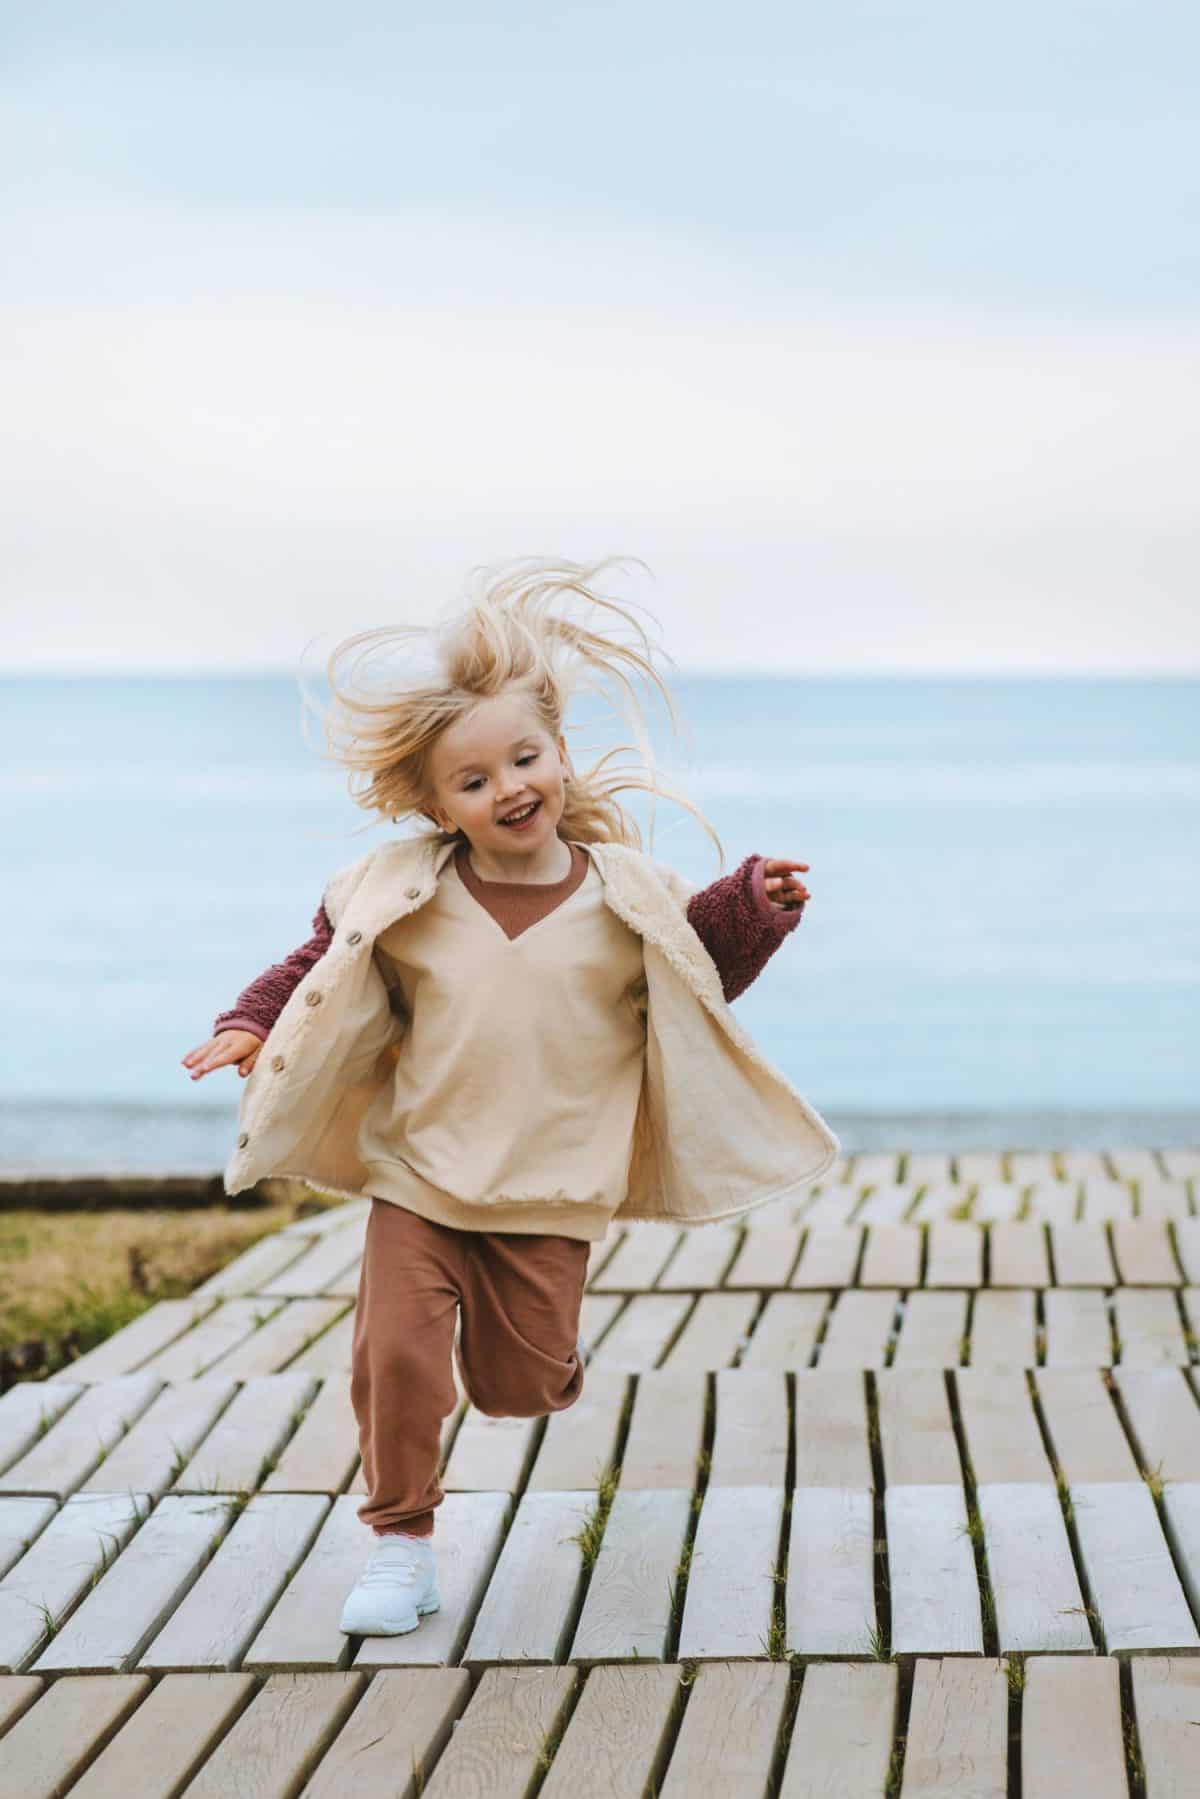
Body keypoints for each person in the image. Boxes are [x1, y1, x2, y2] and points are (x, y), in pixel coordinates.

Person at [181, 555, 838, 1637]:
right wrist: (250, 1022)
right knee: (393, 1352)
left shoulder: (627, 895)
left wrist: (757, 903)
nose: (509, 788)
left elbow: (704, 958)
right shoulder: (409, 890)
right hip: (421, 1173)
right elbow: (320, 957)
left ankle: (544, 1356)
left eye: (523, 759)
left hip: (550, 1187)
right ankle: (401, 1541)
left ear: (562, 755)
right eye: (474, 780)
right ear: (438, 803)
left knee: (518, 1385)